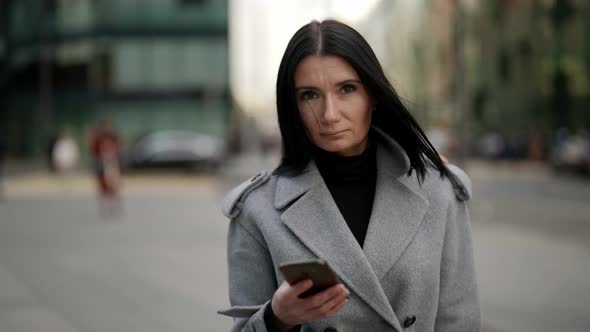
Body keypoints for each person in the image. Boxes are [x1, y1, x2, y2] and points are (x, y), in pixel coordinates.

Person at [219, 20, 480, 331]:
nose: (330, 114)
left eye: (346, 89)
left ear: (373, 95)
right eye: (309, 95)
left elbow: (459, 321)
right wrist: (277, 317)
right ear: (293, 106)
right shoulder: (257, 210)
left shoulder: (438, 190)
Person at [89, 119, 122, 217]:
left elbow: (119, 149)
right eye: (106, 126)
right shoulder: (98, 139)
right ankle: (105, 206)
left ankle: (115, 206)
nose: (108, 128)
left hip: (112, 164)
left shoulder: (114, 137)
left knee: (115, 186)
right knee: (103, 187)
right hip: (103, 164)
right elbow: (93, 152)